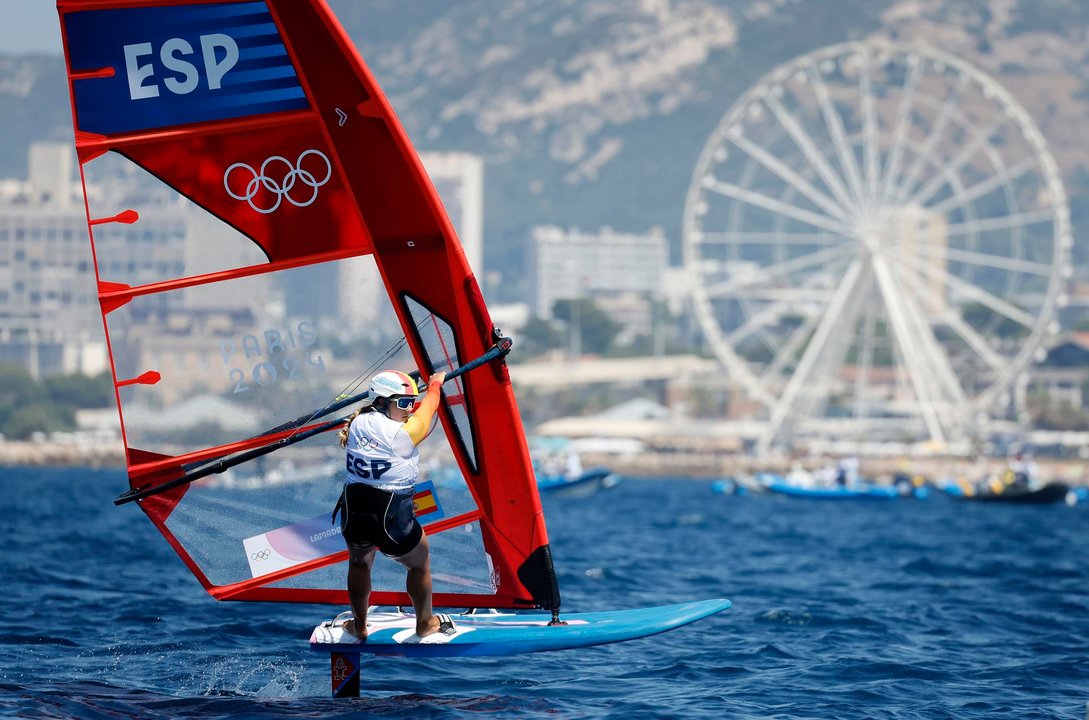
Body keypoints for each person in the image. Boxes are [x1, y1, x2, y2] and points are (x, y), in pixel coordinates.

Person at [333, 368, 453, 642]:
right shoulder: (403, 434)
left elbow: (402, 414)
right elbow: (429, 409)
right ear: (383, 402)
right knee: (419, 561)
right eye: (403, 403)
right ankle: (425, 623)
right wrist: (434, 385)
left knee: (359, 562)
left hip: (353, 509)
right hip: (389, 514)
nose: (410, 409)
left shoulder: (356, 423)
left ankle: (359, 625)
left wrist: (411, 392)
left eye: (411, 402)